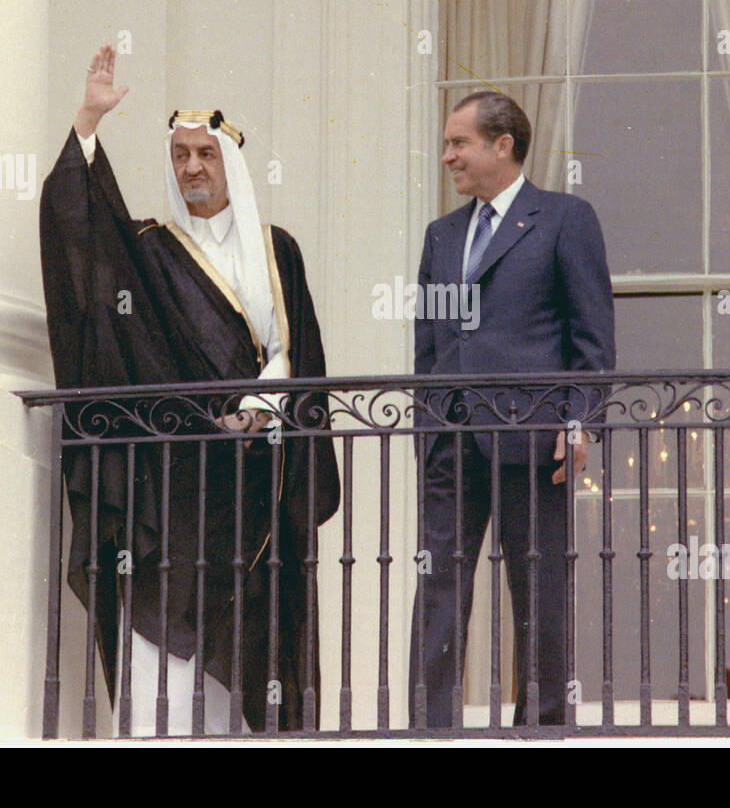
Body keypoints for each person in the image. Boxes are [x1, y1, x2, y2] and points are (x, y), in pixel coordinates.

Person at [39, 44, 339, 734]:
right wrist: (88, 122)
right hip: (178, 482)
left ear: (229, 163)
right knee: (165, 633)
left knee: (257, 644)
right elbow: (81, 237)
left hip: (262, 478)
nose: (193, 167)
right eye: (181, 157)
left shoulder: (277, 248)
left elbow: (297, 351)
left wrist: (260, 408)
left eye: (205, 155)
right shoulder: (150, 251)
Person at [410, 91, 615, 727]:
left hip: (533, 438)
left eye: (458, 143)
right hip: (450, 440)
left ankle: (542, 727)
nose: (447, 156)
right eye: (447, 144)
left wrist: (579, 423)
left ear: (503, 145)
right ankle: (430, 728)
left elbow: (593, 342)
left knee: (538, 590)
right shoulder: (442, 234)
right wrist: (428, 429)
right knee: (438, 586)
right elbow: (431, 343)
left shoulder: (563, 218)